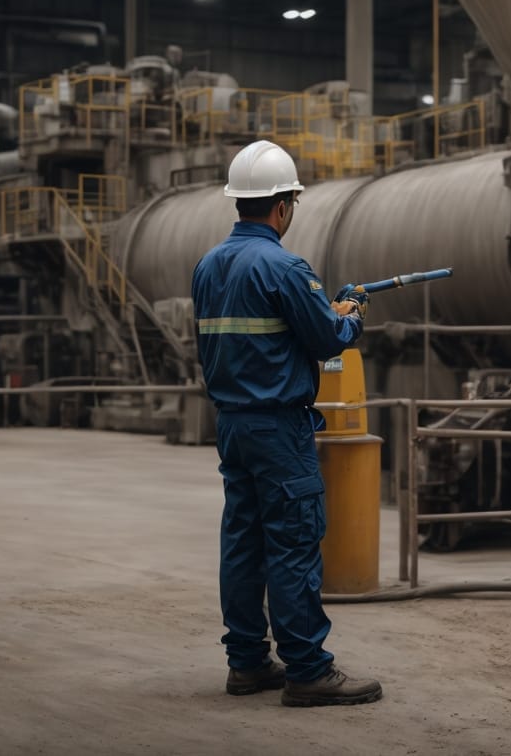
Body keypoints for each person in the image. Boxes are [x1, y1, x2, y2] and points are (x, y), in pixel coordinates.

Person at [191, 140, 383, 707]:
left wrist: (324, 311)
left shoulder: (207, 266)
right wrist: (350, 315)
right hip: (279, 429)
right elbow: (327, 340)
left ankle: (247, 663)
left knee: (243, 542)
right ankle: (307, 670)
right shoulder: (286, 267)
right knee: (294, 540)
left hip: (232, 425)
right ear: (282, 206)